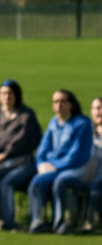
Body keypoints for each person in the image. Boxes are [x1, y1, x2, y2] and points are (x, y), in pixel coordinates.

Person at [19, 89, 91, 234]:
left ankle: (60, 223)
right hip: (51, 167)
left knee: (59, 181)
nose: (58, 105)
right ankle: (37, 221)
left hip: (76, 168)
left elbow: (75, 155)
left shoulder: (82, 124)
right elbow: (42, 149)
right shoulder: (54, 122)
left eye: (62, 101)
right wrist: (41, 164)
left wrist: (54, 166)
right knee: (36, 180)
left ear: (71, 104)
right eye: (55, 102)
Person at [0, 79, 41, 230]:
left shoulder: (25, 116)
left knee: (1, 181)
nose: (6, 97)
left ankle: (7, 221)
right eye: (3, 93)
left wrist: (3, 156)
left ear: (17, 95)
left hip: (20, 161)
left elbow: (21, 142)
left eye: (10, 93)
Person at [55, 97, 102, 234]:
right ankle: (67, 222)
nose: (98, 112)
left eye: (100, 108)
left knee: (95, 189)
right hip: (84, 171)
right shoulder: (85, 129)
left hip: (99, 175)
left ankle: (91, 224)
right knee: (65, 182)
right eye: (95, 108)